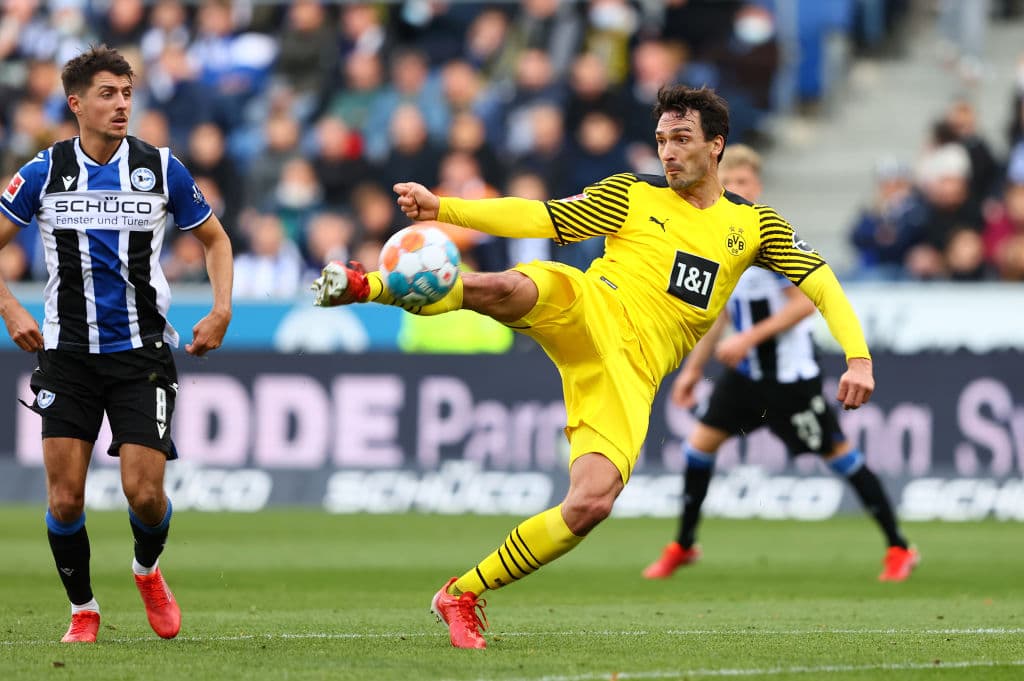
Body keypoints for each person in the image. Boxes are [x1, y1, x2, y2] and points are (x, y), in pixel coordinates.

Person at [311, 85, 875, 649]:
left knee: (589, 504)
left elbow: (821, 283)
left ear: (716, 145)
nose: (669, 152)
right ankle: (370, 284)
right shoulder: (633, 195)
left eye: (682, 139)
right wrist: (444, 208)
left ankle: (461, 594)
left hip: (631, 374)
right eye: (661, 140)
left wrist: (858, 357)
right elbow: (540, 217)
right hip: (591, 306)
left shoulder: (753, 226)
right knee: (509, 286)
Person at [0, 45, 234, 643]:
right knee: (65, 498)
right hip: (67, 356)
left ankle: (147, 570)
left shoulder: (161, 168)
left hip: (141, 354)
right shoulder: (45, 171)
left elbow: (215, 240)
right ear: (76, 104)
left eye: (127, 93)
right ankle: (83, 610)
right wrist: (9, 307)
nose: (122, 104)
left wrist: (221, 308)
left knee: (146, 493)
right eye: (108, 93)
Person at [640, 144, 919, 583]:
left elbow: (805, 305)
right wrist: (693, 371)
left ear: (758, 186)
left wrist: (748, 338)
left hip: (791, 382)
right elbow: (719, 314)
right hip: (746, 377)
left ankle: (900, 547)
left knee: (840, 456)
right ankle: (685, 545)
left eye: (744, 183)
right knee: (698, 448)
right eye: (728, 182)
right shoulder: (716, 241)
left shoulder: (769, 237)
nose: (735, 190)